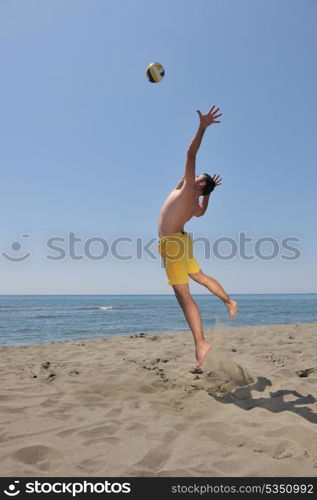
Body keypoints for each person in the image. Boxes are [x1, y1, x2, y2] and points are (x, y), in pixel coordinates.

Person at [158, 105, 238, 368]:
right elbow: (202, 213)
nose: (191, 174)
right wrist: (209, 193)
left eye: (197, 175)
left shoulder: (190, 187)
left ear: (199, 183)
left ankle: (200, 342)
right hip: (181, 241)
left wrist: (202, 127)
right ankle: (229, 300)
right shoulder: (194, 202)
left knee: (183, 295)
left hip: (172, 243)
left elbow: (191, 152)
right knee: (199, 275)